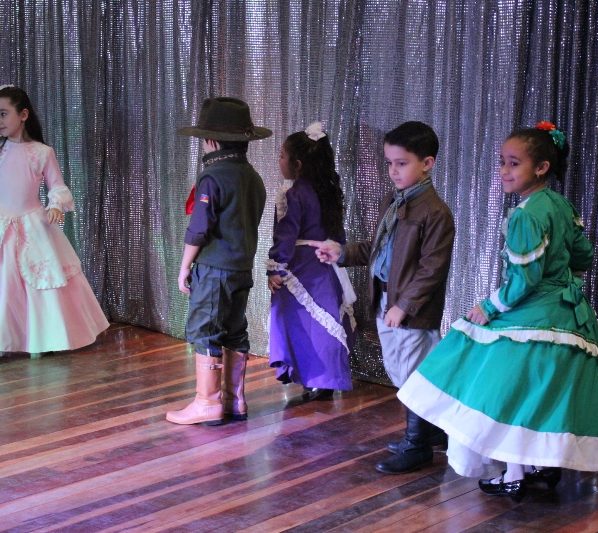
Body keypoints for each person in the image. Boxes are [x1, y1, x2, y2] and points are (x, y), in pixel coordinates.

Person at [398, 122, 598, 501]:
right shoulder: (560, 205)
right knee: (540, 393)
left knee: (504, 391)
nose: (504, 171)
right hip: (569, 316)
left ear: (541, 168)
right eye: (502, 162)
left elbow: (524, 280)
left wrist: (490, 307)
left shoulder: (526, 214)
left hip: (533, 315)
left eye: (514, 163)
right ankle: (538, 465)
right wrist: (562, 282)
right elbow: (583, 256)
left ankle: (515, 472)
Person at [312, 121, 455, 472]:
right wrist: (342, 252)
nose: (393, 170)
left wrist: (404, 306)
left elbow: (431, 269)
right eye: (390, 162)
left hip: (410, 311)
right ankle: (431, 432)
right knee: (400, 371)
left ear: (427, 163)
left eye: (402, 163)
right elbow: (378, 250)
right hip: (386, 302)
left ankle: (417, 445)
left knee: (413, 375)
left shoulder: (435, 212)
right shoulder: (395, 202)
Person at [166, 97, 271, 426]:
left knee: (205, 329)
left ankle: (207, 402)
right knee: (234, 329)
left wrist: (184, 267)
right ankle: (233, 400)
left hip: (214, 268)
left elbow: (199, 229)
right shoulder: (253, 177)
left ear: (211, 140)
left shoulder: (213, 177)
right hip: (242, 268)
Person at [0, 85, 109, 358]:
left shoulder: (41, 152)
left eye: (3, 114)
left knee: (38, 282)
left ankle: (40, 339)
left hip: (31, 225)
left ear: (23, 115)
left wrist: (56, 204)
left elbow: (57, 186)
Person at [267, 122, 355, 401]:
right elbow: (338, 234)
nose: (279, 161)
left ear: (298, 164)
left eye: (282, 155)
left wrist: (277, 267)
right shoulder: (328, 191)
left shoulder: (293, 193)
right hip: (327, 265)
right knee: (323, 323)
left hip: (301, 267)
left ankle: (313, 377)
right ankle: (323, 381)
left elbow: (286, 233)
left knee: (299, 323)